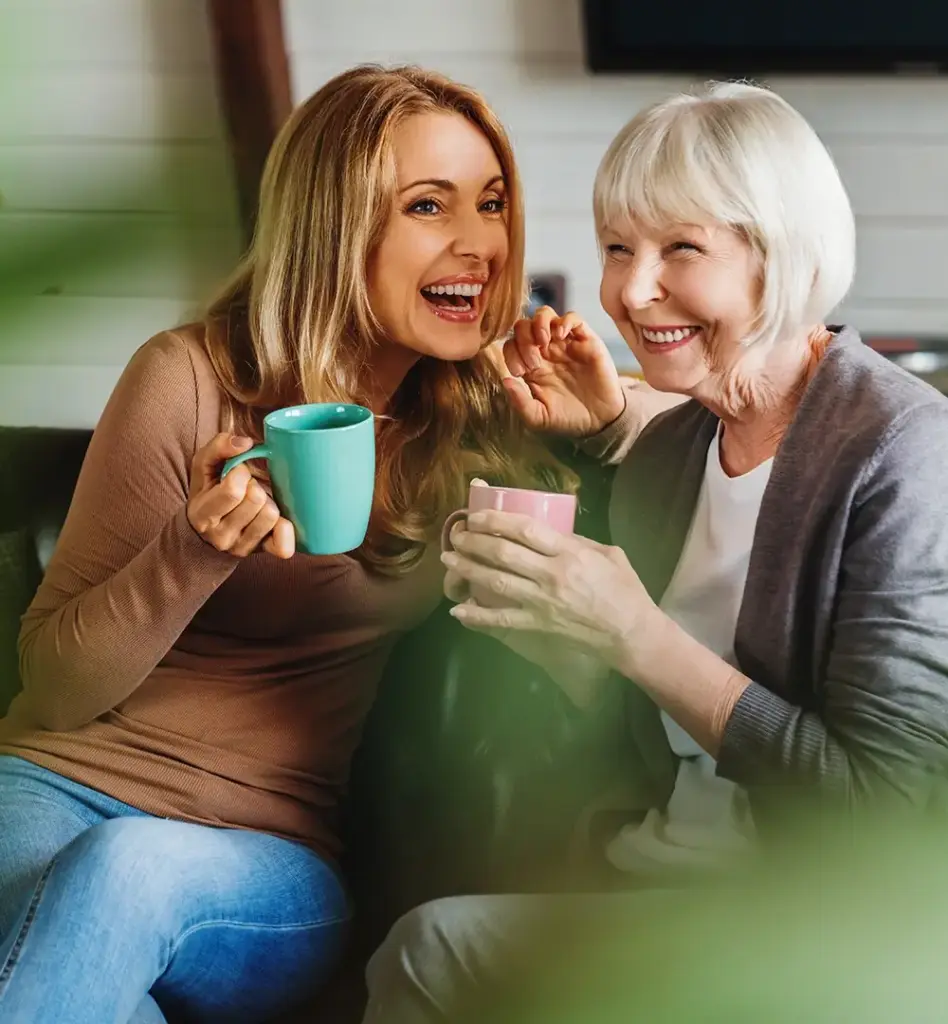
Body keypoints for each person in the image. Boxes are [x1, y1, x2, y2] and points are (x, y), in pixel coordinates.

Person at [0, 65, 677, 1024]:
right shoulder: (187, 378)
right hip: (49, 792)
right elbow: (52, 693)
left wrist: (606, 421)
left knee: (127, 872)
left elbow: (720, 434)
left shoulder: (486, 409)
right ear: (334, 225)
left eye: (490, 203)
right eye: (429, 205)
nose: (479, 242)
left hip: (266, 859)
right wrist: (196, 551)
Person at [362, 81, 948, 1023]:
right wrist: (554, 633)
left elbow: (880, 810)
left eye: (682, 249)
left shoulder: (904, 451)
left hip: (819, 920)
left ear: (779, 256)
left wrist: (634, 633)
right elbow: (647, 731)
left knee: (429, 953)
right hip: (655, 874)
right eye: (617, 249)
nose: (632, 293)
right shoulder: (670, 453)